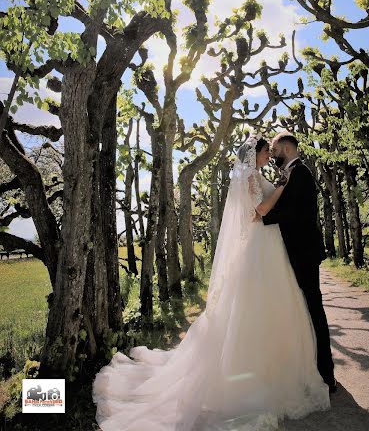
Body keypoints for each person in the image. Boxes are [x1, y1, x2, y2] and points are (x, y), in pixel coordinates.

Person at [92, 135, 330, 431]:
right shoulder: (254, 178)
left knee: (272, 309)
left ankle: (283, 368)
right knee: (258, 309)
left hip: (267, 246)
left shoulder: (257, 175)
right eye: (267, 150)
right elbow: (263, 211)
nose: (271, 153)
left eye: (273, 149)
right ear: (254, 155)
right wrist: (281, 186)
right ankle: (257, 375)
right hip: (260, 248)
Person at [262, 131, 336, 393]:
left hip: (303, 252)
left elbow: (296, 213)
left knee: (314, 309)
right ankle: (311, 365)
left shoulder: (301, 173)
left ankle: (327, 375)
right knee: (302, 309)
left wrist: (264, 218)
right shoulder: (292, 174)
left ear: (286, 147)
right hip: (294, 251)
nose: (272, 154)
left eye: (274, 149)